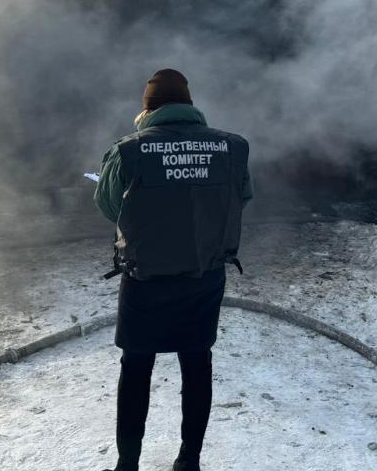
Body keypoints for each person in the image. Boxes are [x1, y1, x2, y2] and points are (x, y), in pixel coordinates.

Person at [94, 69, 252, 471]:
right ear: (189, 105)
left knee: (136, 368)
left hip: (146, 279)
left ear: (147, 108)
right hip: (204, 275)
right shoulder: (232, 147)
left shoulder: (128, 149)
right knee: (197, 364)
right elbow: (241, 196)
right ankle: (189, 461)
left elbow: (110, 206)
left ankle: (128, 464)